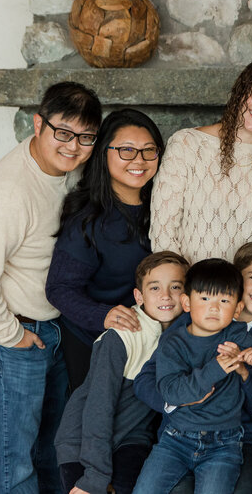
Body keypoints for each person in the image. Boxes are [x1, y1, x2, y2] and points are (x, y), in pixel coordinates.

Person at [0, 82, 101, 494]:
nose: (74, 147)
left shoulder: (67, 171)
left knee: (52, 448)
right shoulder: (6, 193)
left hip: (52, 326)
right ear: (38, 124)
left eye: (86, 137)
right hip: (13, 330)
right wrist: (12, 336)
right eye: (64, 133)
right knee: (14, 454)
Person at [134, 241, 252, 494]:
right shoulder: (184, 327)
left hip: (231, 437)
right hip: (177, 433)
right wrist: (178, 401)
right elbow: (154, 383)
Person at [46, 108, 165, 390]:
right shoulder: (88, 220)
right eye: (126, 150)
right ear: (103, 153)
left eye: (149, 150)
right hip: (93, 341)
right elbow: (59, 288)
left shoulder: (165, 207)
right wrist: (104, 315)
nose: (139, 160)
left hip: (148, 341)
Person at [54, 251, 188, 494]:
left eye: (176, 287)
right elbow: (98, 408)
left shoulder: (184, 335)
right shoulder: (120, 337)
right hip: (83, 440)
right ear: (139, 296)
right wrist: (95, 476)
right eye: (155, 288)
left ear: (187, 297)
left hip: (132, 439)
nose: (166, 296)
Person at [150, 58, 252, 263]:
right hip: (192, 288)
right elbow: (163, 231)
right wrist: (181, 287)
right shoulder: (187, 144)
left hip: (251, 292)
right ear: (241, 91)